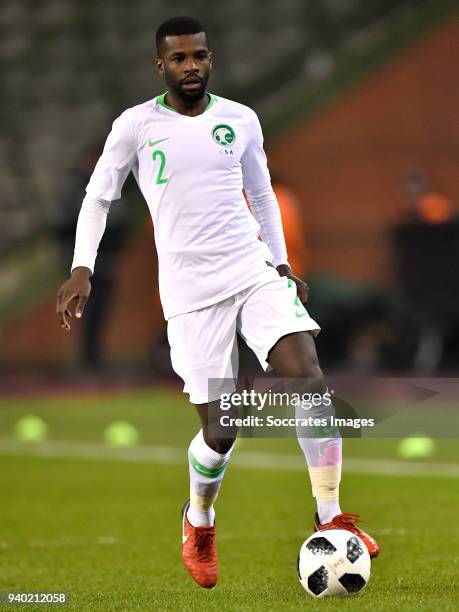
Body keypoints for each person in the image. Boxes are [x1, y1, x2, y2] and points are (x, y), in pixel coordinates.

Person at [56, 16, 379, 589]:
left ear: (210, 59)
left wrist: (281, 264)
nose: (191, 67)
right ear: (161, 66)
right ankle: (198, 517)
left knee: (308, 376)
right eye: (179, 59)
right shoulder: (135, 126)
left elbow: (261, 193)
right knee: (223, 428)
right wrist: (82, 265)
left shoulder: (241, 120)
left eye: (199, 57)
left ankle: (329, 514)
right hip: (188, 294)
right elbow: (98, 197)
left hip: (251, 272)